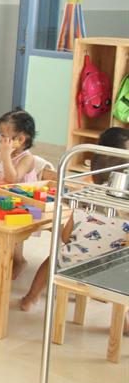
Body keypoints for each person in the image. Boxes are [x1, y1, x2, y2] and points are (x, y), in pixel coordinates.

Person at [20, 128, 129, 316]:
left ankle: (30, 298)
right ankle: (125, 319)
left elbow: (65, 237)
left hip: (73, 266)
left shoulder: (83, 199)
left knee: (55, 258)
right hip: (112, 273)